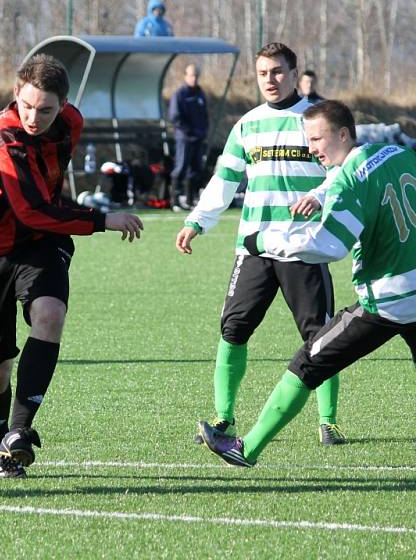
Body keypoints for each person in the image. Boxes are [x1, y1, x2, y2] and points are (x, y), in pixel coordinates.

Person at [0, 54, 144, 478]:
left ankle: (19, 432)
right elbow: (31, 209)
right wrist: (100, 219)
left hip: (40, 242)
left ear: (64, 107)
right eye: (26, 106)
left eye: (46, 110)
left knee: (50, 313)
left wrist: (72, 217)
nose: (34, 117)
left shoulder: (71, 123)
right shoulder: (5, 136)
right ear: (14, 93)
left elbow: (44, 206)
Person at [199, 100, 416, 466]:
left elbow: (328, 246)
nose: (311, 148)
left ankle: (245, 449)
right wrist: (321, 195)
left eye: (316, 139)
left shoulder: (351, 178)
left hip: (387, 300)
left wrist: (264, 242)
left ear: (343, 134)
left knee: (307, 362)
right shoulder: (396, 153)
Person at [175, 42, 346, 447]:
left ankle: (329, 421)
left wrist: (320, 197)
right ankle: (224, 418)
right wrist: (198, 220)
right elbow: (225, 179)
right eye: (263, 73)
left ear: (293, 72)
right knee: (233, 330)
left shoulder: (314, 121)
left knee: (320, 336)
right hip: (253, 247)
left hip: (303, 247)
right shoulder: (246, 125)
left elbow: (342, 171)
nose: (270, 79)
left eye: (278, 71)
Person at [168, 63, 208, 210]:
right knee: (181, 168)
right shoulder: (179, 94)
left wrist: (203, 131)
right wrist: (190, 131)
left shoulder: (200, 93)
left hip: (198, 138)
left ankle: (191, 201)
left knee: (196, 170)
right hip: (185, 139)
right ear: (185, 76)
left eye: (196, 75)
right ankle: (174, 201)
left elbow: (204, 115)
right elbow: (175, 117)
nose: (194, 78)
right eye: (191, 75)